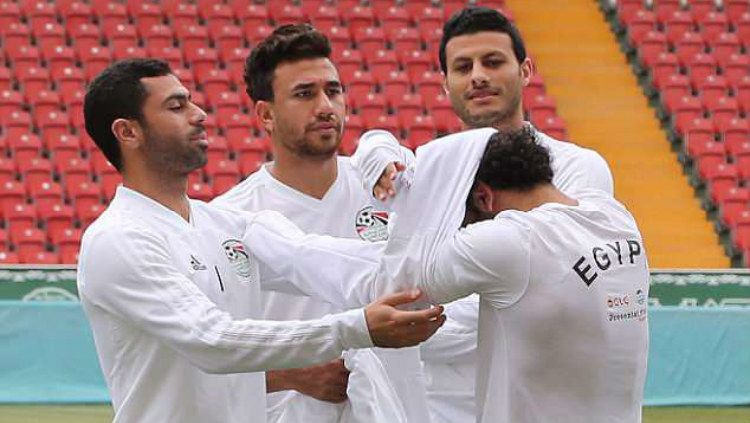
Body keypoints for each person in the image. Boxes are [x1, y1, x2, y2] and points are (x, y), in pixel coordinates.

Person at [77, 58, 446, 423]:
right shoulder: (118, 239)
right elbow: (212, 340)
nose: (199, 113)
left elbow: (318, 259)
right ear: (128, 132)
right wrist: (358, 327)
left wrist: (444, 264)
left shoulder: (227, 223)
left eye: (191, 100)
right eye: (177, 106)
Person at [250, 126, 649, 423]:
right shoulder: (615, 216)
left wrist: (265, 234)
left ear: (484, 198)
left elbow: (387, 280)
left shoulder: (513, 243)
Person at [352, 7, 616, 423]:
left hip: (541, 405)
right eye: (463, 66)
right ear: (445, 84)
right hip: (441, 410)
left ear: (525, 70)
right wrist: (373, 145)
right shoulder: (431, 176)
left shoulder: (576, 169)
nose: (477, 76)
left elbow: (555, 294)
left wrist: (425, 330)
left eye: (493, 62)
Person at [213, 25, 429, 423]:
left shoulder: (386, 187)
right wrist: (291, 375)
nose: (326, 105)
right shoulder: (230, 219)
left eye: (333, 90)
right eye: (304, 94)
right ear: (265, 114)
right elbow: (206, 350)